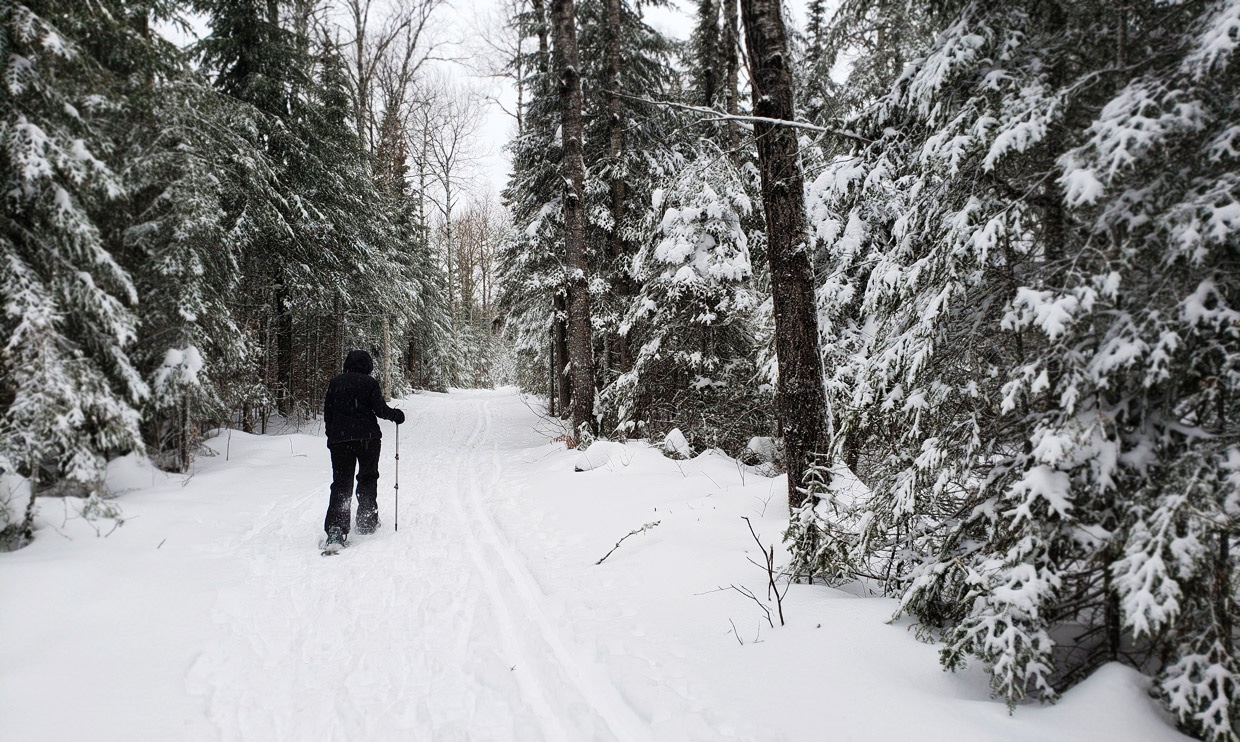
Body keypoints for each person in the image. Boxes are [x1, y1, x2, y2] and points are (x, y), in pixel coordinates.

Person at [322, 349, 405, 550]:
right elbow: (380, 410)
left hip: (340, 441)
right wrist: (397, 415)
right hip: (368, 439)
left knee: (342, 484)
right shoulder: (369, 383)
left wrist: (332, 435)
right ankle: (367, 520)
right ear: (367, 365)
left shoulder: (335, 383)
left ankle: (336, 529)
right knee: (367, 477)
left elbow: (328, 414)